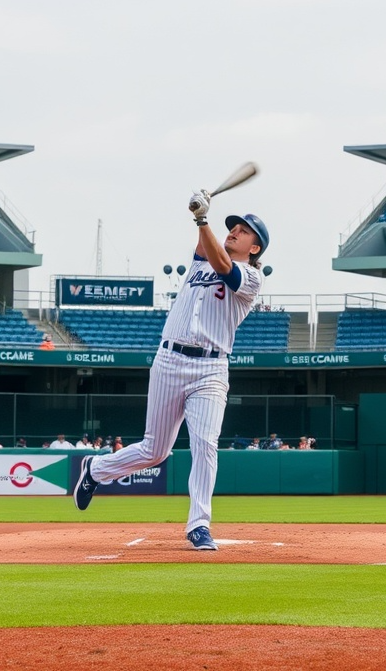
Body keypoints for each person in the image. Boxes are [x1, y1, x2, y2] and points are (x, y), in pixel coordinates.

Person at [75, 198, 269, 553]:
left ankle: (199, 525)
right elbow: (205, 247)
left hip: (211, 368)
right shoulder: (202, 259)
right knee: (155, 450)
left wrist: (203, 216)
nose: (234, 232)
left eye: (242, 231)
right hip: (169, 360)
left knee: (205, 444)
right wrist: (202, 210)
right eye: (232, 227)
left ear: (254, 247)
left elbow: (225, 266)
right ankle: (96, 470)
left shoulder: (252, 278)